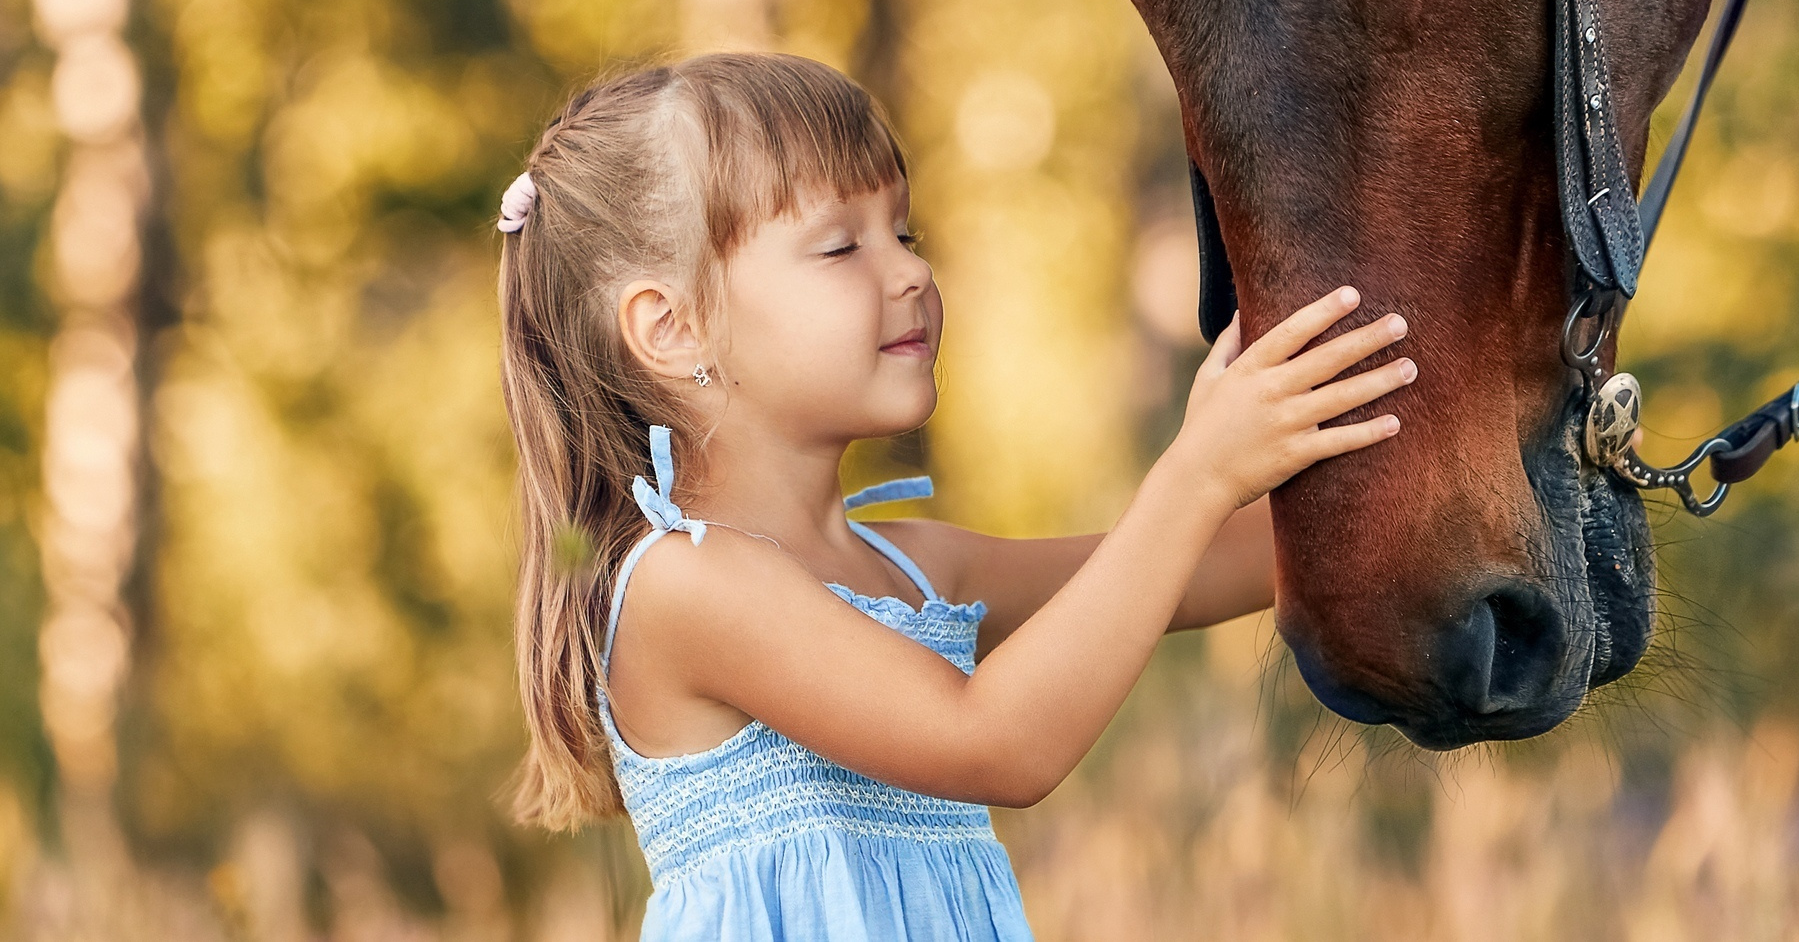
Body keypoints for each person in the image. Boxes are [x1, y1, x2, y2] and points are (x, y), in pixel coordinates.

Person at [496, 53, 1411, 941]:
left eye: (905, 233)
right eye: (839, 246)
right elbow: (995, 745)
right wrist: (1198, 468)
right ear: (673, 327)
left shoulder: (919, 565)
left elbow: (1200, 567)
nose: (910, 274)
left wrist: (1428, 449)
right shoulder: (684, 586)